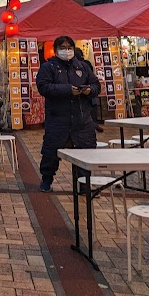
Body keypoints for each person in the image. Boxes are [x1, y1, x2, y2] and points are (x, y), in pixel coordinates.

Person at [37, 36, 101, 193]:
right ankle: (46, 180)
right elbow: (44, 87)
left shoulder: (83, 67)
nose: (67, 50)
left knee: (85, 154)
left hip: (82, 120)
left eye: (69, 47)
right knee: (51, 153)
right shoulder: (48, 67)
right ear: (56, 49)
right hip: (58, 119)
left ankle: (84, 185)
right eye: (63, 47)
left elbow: (96, 85)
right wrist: (67, 90)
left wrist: (89, 90)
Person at [74, 47, 104, 132]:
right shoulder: (87, 64)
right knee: (91, 111)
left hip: (85, 93)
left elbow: (95, 83)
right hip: (89, 93)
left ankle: (93, 124)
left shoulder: (84, 65)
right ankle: (94, 124)